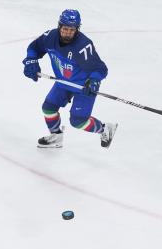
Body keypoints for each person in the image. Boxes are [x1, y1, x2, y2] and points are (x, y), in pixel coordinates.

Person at [22, 9, 118, 149]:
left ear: (77, 29)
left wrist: (94, 81)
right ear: (59, 26)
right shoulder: (50, 37)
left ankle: (105, 129)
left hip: (83, 86)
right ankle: (56, 137)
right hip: (63, 82)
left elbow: (100, 69)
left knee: (78, 121)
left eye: (72, 30)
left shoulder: (82, 47)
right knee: (48, 108)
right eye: (65, 28)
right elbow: (35, 47)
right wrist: (31, 60)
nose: (68, 32)